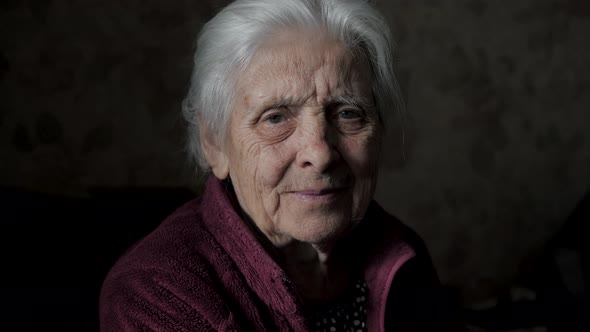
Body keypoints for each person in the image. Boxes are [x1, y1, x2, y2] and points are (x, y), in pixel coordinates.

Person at [100, 0, 464, 330]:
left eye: (348, 112)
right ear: (214, 143)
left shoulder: (401, 254)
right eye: (276, 119)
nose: (319, 153)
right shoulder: (156, 293)